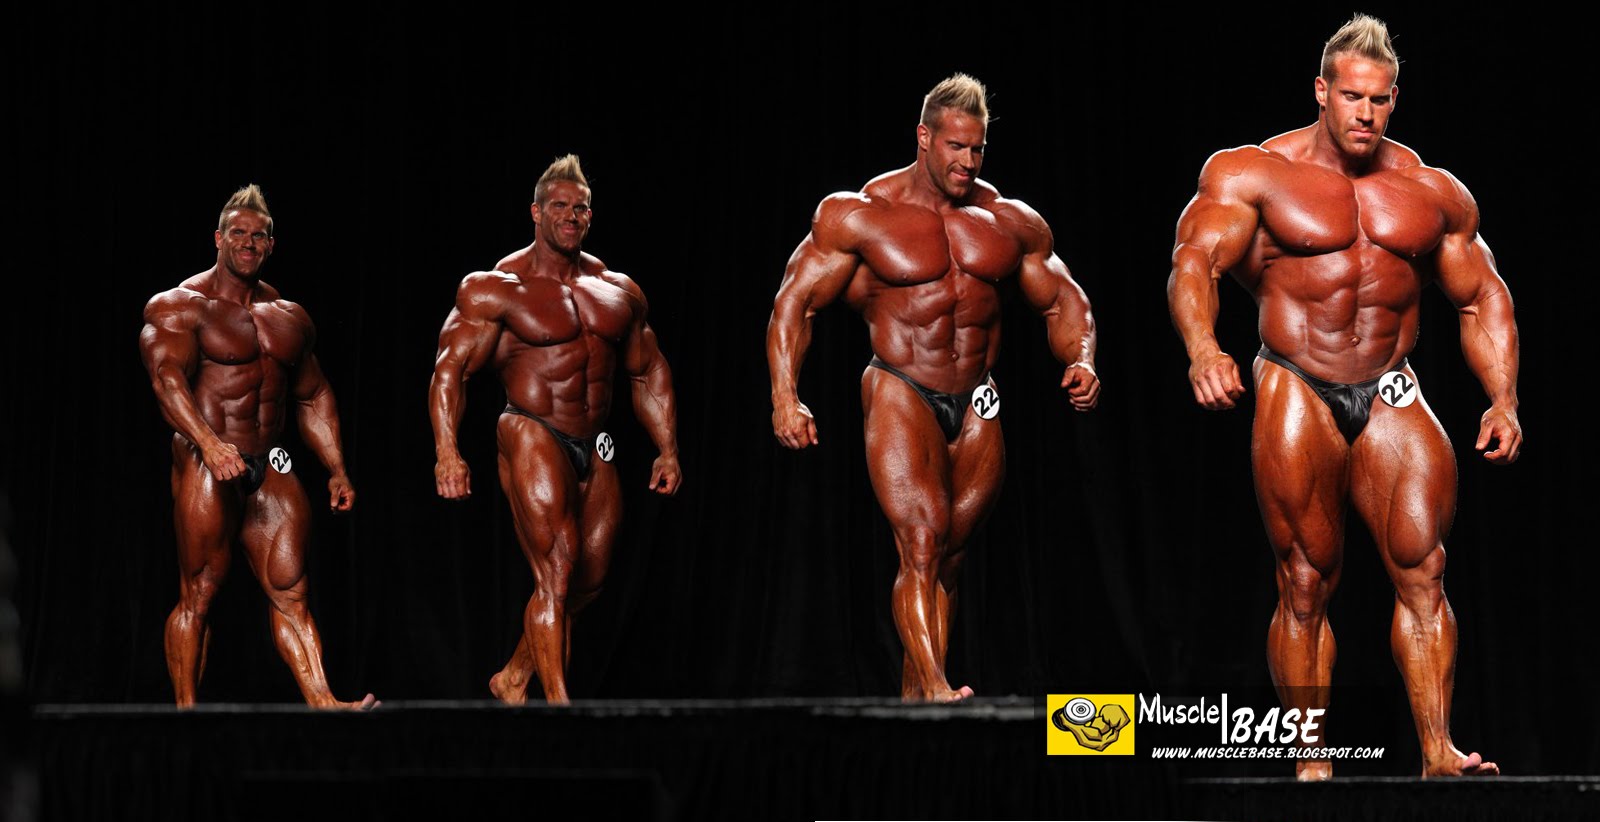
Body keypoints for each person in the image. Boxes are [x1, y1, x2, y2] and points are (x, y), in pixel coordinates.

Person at [1167, 15, 1518, 778]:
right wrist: (1204, 349)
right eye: (1352, 96)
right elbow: (1194, 261)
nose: (1366, 113)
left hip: (1389, 383)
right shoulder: (1255, 173)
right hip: (1298, 377)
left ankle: (1438, 752)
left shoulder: (1430, 191)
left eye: (1380, 100)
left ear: (1395, 100)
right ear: (1322, 91)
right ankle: (1311, 760)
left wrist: (1504, 398)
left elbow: (1480, 296)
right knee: (1304, 579)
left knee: (1425, 570)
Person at [769, 74, 1100, 703]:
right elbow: (795, 304)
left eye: (978, 149)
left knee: (949, 557)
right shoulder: (862, 213)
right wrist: (786, 395)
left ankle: (915, 705)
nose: (968, 162)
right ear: (924, 137)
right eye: (955, 147)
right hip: (901, 386)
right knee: (921, 543)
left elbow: (1064, 300)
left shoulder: (1007, 220)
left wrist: (1082, 358)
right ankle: (939, 688)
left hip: (977, 398)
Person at [431, 155, 682, 705]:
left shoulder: (616, 289)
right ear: (536, 212)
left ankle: (513, 678)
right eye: (561, 206)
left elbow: (648, 369)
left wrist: (667, 448)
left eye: (581, 208)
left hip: (596, 441)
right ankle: (561, 712)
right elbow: (450, 370)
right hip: (531, 428)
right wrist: (447, 451)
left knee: (589, 579)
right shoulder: (498, 288)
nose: (571, 216)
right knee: (559, 569)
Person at [139, 185, 375, 709]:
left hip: (269, 461)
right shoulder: (182, 306)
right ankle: (185, 716)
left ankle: (325, 704)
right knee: (199, 592)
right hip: (206, 458)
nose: (248, 243)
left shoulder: (289, 317)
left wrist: (336, 467)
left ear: (271, 245)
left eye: (259, 236)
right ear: (218, 238)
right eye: (238, 233)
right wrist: (209, 444)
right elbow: (166, 381)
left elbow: (313, 394)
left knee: (292, 590)